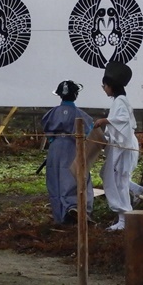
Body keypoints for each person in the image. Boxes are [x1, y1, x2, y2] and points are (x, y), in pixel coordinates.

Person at [94, 61, 143, 232]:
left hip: (124, 147)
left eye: (105, 85)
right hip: (120, 145)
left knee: (119, 180)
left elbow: (123, 121)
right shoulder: (119, 101)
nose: (104, 89)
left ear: (111, 86)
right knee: (111, 176)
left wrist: (105, 121)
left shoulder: (121, 101)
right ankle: (137, 191)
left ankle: (124, 217)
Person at [42, 80, 95, 225]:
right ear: (76, 95)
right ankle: (75, 208)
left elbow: (47, 131)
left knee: (55, 180)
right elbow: (89, 132)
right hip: (73, 147)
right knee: (75, 177)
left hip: (55, 149)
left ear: (60, 95)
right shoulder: (81, 114)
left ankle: (60, 216)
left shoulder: (52, 113)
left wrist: (55, 140)